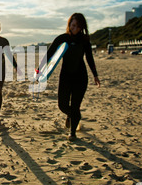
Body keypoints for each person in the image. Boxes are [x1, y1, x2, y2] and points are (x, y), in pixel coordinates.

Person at [36, 13, 100, 141]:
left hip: (80, 77)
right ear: (69, 25)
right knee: (62, 105)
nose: (75, 28)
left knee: (75, 106)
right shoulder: (62, 38)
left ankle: (73, 133)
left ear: (82, 27)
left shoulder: (84, 40)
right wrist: (39, 69)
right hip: (65, 76)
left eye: (78, 26)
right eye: (73, 25)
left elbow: (89, 58)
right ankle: (73, 116)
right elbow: (49, 54)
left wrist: (95, 75)